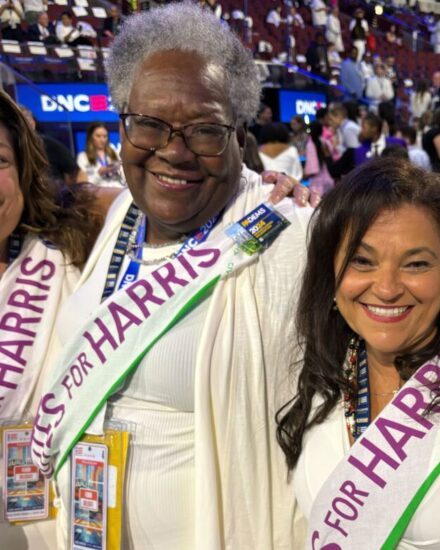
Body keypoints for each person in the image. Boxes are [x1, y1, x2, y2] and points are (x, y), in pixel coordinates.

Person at [29, 5, 313, 548]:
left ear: (238, 133)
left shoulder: (288, 234)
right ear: (122, 124)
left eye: (204, 130)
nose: (174, 151)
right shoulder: (120, 215)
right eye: (150, 125)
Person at [276, 158, 440, 548]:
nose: (386, 288)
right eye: (361, 261)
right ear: (330, 273)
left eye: (416, 264)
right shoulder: (321, 373)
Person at [0, 89, 107, 550]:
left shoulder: (74, 242)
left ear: (23, 171)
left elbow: (177, 202)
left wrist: (258, 193)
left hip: (66, 516)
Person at [76, 122, 124, 188]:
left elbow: (124, 179)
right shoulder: (83, 157)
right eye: (98, 136)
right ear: (91, 137)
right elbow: (83, 185)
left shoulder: (114, 153)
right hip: (98, 193)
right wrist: (99, 173)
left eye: (105, 136)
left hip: (117, 191)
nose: (102, 140)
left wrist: (118, 170)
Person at [303, 121, 334, 195]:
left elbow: (312, 169)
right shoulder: (326, 142)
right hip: (329, 179)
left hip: (316, 184)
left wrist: (304, 175)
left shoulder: (310, 145)